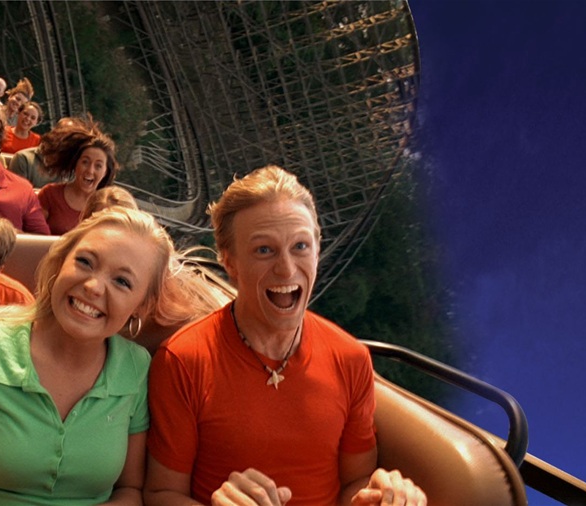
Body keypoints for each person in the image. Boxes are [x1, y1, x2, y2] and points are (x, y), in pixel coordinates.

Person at [144, 166, 427, 506]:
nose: (286, 268)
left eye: (300, 246)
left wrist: (380, 498)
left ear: (317, 251)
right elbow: (161, 494)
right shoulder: (184, 360)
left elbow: (355, 479)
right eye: (264, 250)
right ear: (229, 260)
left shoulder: (350, 358)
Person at [0, 207, 185, 505]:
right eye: (84, 262)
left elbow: (129, 489)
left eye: (122, 282)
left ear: (142, 306)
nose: (93, 287)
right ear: (60, 265)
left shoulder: (136, 368)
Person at [37, 119, 119, 235]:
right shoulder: (50, 194)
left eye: (98, 166)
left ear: (106, 172)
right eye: (85, 162)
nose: (90, 170)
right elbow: (33, 235)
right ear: (76, 163)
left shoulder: (109, 208)